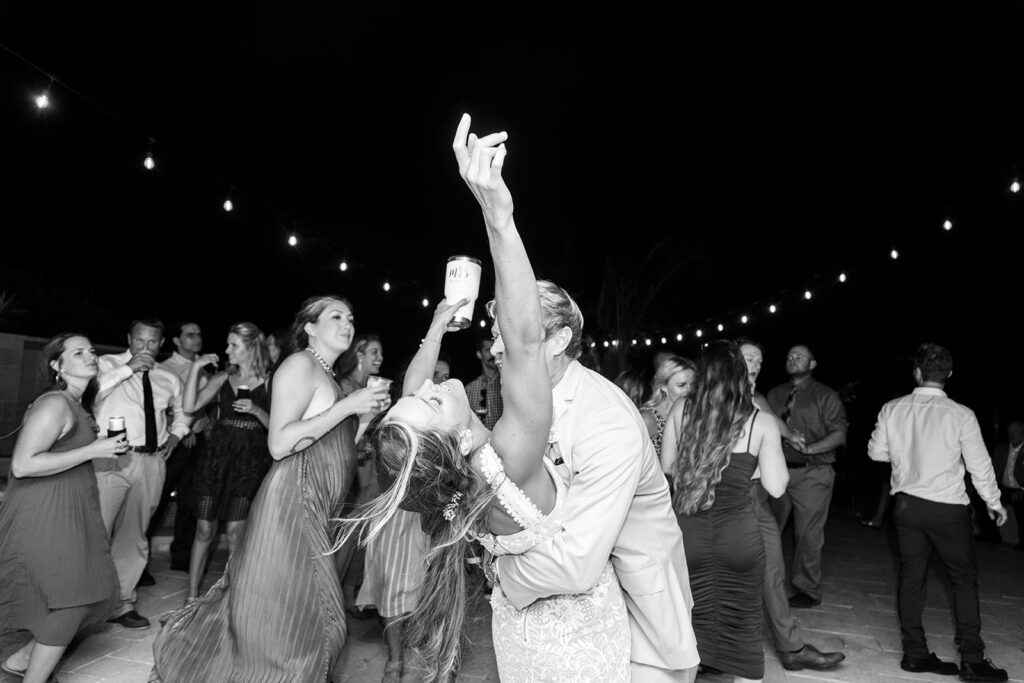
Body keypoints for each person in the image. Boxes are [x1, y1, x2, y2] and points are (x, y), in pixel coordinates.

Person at [342, 115, 632, 681]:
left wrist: (436, 325)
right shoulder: (509, 464)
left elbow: (411, 403)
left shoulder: (460, 482)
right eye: (426, 403)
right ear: (445, 440)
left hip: (517, 634)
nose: (425, 389)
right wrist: (498, 215)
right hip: (578, 644)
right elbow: (526, 343)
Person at [447, 115, 699, 682]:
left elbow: (580, 560)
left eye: (509, 333)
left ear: (558, 339)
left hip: (637, 621)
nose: (496, 346)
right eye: (496, 333)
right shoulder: (527, 403)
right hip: (558, 617)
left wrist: (498, 570)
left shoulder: (608, 419)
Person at [150, 297, 389, 681]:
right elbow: (279, 443)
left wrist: (363, 418)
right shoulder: (299, 364)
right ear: (310, 327)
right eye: (336, 317)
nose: (348, 323)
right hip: (293, 499)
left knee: (300, 609)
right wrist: (348, 408)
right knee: (308, 611)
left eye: (351, 318)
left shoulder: (327, 374)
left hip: (319, 504)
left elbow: (333, 440)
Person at [868, 343, 1008, 682]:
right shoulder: (961, 414)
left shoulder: (892, 408)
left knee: (911, 576)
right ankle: (972, 661)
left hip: (907, 506)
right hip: (947, 509)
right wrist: (994, 501)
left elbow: (875, 453)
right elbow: (979, 465)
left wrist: (907, 456)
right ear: (949, 374)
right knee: (962, 579)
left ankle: (914, 654)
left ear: (916, 372)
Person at [661, 340, 788, 682]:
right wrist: (749, 467)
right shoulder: (761, 421)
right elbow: (777, 487)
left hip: (689, 536)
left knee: (688, 626)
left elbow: (668, 466)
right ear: (738, 375)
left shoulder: (681, 410)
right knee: (745, 632)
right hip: (739, 539)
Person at [0, 334, 124, 683]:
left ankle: (22, 661)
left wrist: (97, 448)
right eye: (78, 352)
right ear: (57, 365)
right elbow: (23, 464)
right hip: (43, 511)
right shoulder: (54, 403)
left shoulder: (77, 404)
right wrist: (91, 451)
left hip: (68, 507)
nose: (91, 356)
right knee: (72, 597)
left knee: (91, 590)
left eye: (92, 351)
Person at [734, 339, 846, 672]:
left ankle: (791, 646)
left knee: (774, 569)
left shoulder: (760, 399)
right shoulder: (709, 400)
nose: (755, 363)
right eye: (748, 357)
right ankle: (708, 651)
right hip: (726, 497)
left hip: (768, 490)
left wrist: (796, 441)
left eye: (759, 358)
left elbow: (772, 421)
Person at [95, 318, 190, 630]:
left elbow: (182, 413)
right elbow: (92, 395)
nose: (145, 348)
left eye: (152, 342)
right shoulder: (107, 364)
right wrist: (129, 368)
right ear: (129, 338)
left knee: (134, 536)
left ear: (161, 344)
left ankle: (122, 604)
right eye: (140, 341)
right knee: (96, 533)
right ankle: (83, 607)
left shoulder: (167, 377)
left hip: (150, 462)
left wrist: (175, 437)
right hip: (111, 458)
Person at [182, 322, 272, 602]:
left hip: (249, 464)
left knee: (235, 532)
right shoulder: (222, 378)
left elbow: (279, 426)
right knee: (204, 528)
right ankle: (191, 596)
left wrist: (257, 409)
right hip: (216, 460)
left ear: (251, 347)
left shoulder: (272, 381)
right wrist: (196, 368)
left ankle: (232, 597)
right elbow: (189, 407)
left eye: (234, 345)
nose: (227, 350)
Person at [766, 344, 847, 608]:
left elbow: (839, 434)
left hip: (812, 471)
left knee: (807, 534)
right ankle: (763, 583)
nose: (792, 359)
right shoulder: (774, 394)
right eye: (789, 355)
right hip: (777, 470)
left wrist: (810, 448)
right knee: (766, 529)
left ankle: (807, 589)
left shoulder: (826, 395)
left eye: (799, 356)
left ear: (812, 364)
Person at [143, 321, 207, 581]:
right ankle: (140, 563)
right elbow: (165, 407)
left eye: (199, 333)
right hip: (176, 441)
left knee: (190, 502)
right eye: (190, 335)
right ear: (177, 341)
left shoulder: (204, 367)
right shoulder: (166, 369)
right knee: (156, 501)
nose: (196, 338)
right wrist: (184, 431)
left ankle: (181, 556)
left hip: (200, 441)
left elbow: (203, 403)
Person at [640, 355, 696, 452]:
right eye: (681, 385)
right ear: (663, 386)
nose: (689, 390)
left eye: (693, 385)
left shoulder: (694, 414)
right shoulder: (648, 419)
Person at [992, 420, 1024, 550]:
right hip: (1003, 488)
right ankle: (992, 536)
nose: (1011, 434)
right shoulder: (1001, 448)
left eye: (1015, 431)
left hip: (1020, 489)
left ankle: (1022, 540)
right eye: (1010, 431)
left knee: (1021, 505)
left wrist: (1023, 490)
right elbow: (993, 469)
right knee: (983, 500)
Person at [464, 334, 503, 429]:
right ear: (479, 354)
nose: (493, 354)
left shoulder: (506, 383)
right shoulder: (470, 389)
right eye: (488, 350)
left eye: (494, 349)